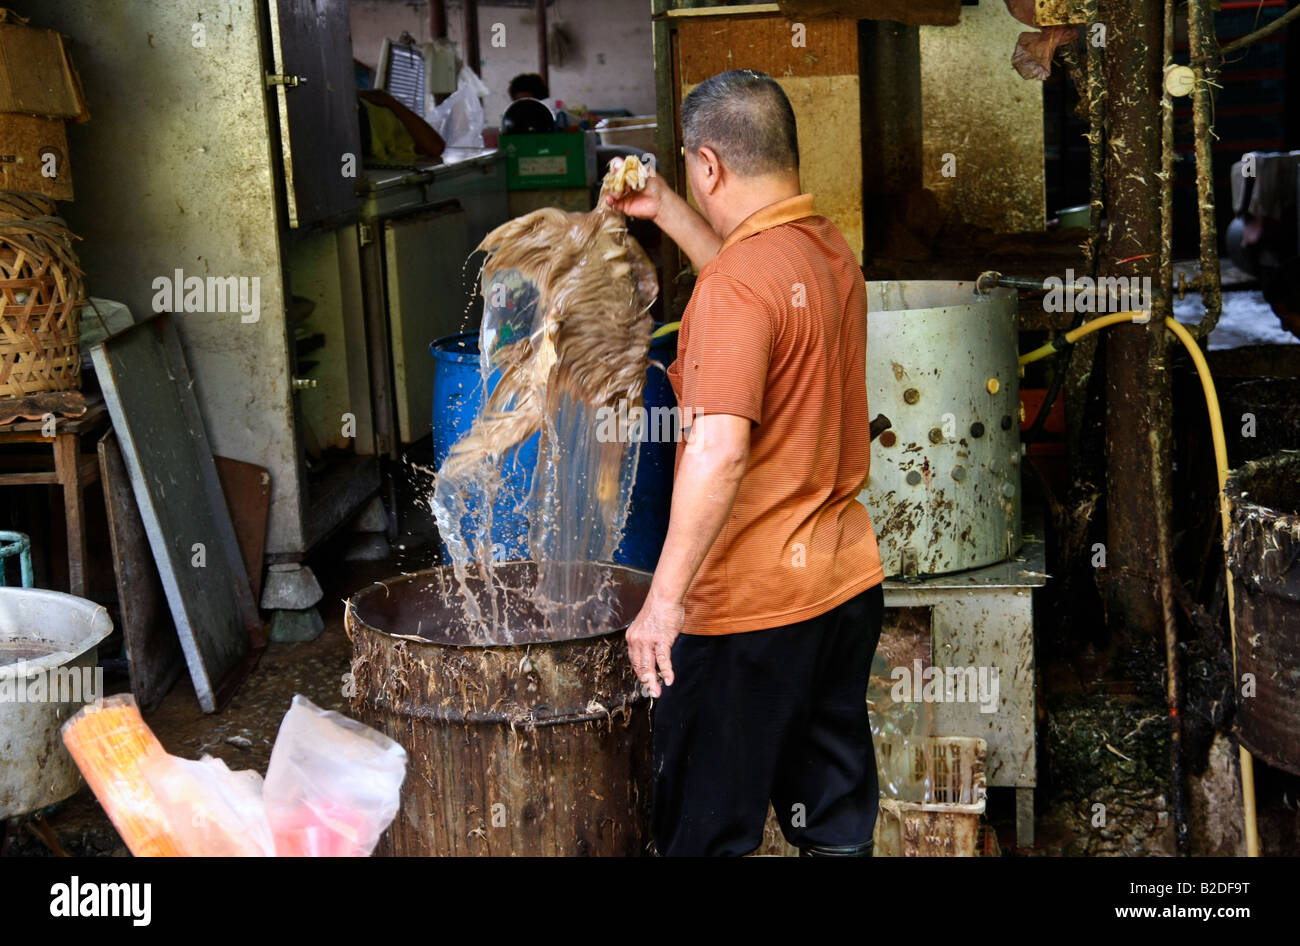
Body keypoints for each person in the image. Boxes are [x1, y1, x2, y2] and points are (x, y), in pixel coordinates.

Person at [608, 69, 886, 857]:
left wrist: (662, 605)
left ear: (709, 166)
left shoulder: (738, 284)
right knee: (831, 822)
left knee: (703, 835)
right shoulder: (826, 251)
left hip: (748, 615)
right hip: (838, 590)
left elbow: (721, 449)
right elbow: (748, 279)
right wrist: (664, 210)